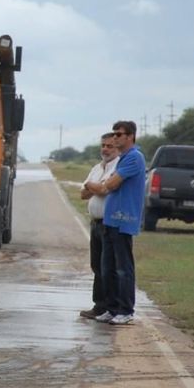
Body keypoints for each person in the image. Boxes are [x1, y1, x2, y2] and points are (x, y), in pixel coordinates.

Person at [85, 121, 146, 325]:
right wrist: (99, 186)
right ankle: (111, 308)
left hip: (123, 219)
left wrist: (96, 185)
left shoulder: (134, 158)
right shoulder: (124, 158)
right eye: (114, 133)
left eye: (119, 134)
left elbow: (108, 186)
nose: (115, 137)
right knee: (107, 267)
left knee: (123, 268)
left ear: (130, 137)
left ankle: (126, 309)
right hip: (111, 219)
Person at [79, 133, 120, 319]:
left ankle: (111, 306)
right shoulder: (97, 168)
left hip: (108, 223)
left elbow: (104, 190)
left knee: (108, 266)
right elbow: (83, 194)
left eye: (110, 146)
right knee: (96, 265)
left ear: (117, 147)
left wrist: (92, 186)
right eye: (103, 145)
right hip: (95, 223)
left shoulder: (118, 167)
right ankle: (99, 305)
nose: (105, 149)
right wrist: (93, 186)